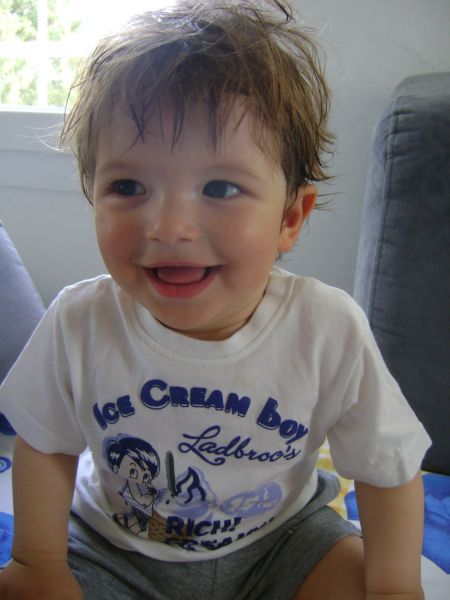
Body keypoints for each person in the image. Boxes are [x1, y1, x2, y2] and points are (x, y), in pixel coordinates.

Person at [0, 1, 431, 599]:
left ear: (290, 217)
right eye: (128, 186)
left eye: (220, 187)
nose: (168, 227)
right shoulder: (80, 322)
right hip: (112, 550)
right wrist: (38, 561)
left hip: (283, 544)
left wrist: (395, 587)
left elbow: (389, 468)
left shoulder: (327, 328)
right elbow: (45, 445)